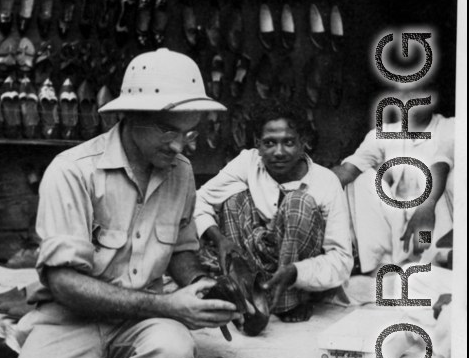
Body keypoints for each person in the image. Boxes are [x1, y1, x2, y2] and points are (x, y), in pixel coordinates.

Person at [0, 48, 238, 358]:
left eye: (189, 133)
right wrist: (169, 307)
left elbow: (180, 249)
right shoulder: (72, 171)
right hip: (70, 320)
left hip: (139, 321)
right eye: (168, 131)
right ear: (131, 118)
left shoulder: (182, 174)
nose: (180, 146)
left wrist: (203, 289)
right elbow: (65, 284)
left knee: (173, 347)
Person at [194, 97, 353, 322]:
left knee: (298, 202)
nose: (278, 152)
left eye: (288, 142)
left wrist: (297, 272)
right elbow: (198, 200)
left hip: (300, 274)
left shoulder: (325, 182)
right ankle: (249, 295)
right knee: (232, 199)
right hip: (257, 264)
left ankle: (292, 301)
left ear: (303, 142)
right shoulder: (247, 163)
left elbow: (341, 259)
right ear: (257, 143)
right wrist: (220, 239)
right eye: (269, 143)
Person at [332, 86, 455, 274]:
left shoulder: (450, 126)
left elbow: (442, 163)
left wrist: (426, 206)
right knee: (361, 178)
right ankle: (381, 265)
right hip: (399, 220)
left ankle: (439, 259)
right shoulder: (383, 133)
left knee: (449, 177)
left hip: (435, 216)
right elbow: (348, 170)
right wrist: (308, 187)